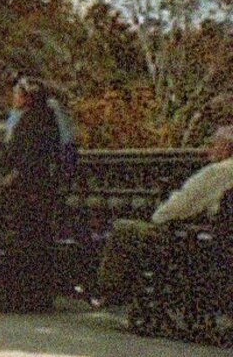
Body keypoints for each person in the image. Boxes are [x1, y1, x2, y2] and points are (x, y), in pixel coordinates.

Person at [97, 125, 233, 303]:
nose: (208, 150)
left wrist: (160, 214)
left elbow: (181, 205)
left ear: (226, 147)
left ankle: (109, 290)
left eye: (213, 144)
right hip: (221, 238)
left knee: (123, 229)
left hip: (201, 241)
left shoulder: (218, 171)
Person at [0, 76, 62, 311]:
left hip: (29, 192)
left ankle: (25, 294)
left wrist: (11, 177)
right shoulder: (46, 119)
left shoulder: (34, 124)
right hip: (39, 190)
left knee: (26, 241)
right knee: (38, 241)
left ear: (27, 97)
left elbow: (30, 160)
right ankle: (38, 294)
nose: (14, 98)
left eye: (17, 93)